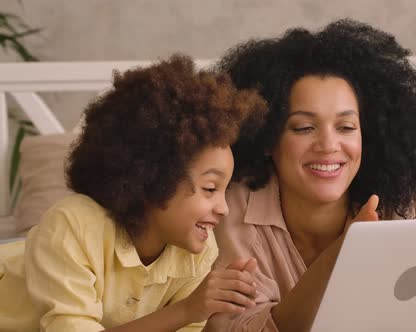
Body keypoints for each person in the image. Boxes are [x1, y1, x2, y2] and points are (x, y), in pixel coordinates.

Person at [203, 19, 416, 331]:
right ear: (268, 138)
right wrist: (343, 255)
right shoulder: (230, 211)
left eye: (346, 127)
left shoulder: (399, 205)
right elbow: (239, 329)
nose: (328, 145)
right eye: (304, 127)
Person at [0, 54, 267, 331]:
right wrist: (186, 310)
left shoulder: (196, 251)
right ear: (154, 178)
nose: (223, 208)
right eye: (210, 188)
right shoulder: (73, 227)